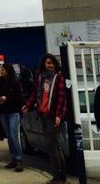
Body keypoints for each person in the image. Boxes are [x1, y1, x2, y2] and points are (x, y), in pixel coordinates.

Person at [22, 53, 68, 184]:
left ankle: (59, 176)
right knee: (53, 145)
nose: (51, 65)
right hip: (42, 114)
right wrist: (28, 105)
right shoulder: (41, 77)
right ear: (44, 64)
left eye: (52, 63)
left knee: (52, 145)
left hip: (53, 115)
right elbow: (35, 93)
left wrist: (59, 115)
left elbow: (61, 97)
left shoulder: (58, 77)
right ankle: (60, 176)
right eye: (48, 63)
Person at [0, 64, 23, 172]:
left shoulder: (15, 83)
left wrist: (6, 98)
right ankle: (13, 158)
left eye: (2, 69)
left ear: (7, 71)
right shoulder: (0, 82)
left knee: (13, 135)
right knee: (9, 136)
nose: (1, 71)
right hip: (3, 112)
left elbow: (19, 98)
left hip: (13, 112)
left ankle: (19, 159)